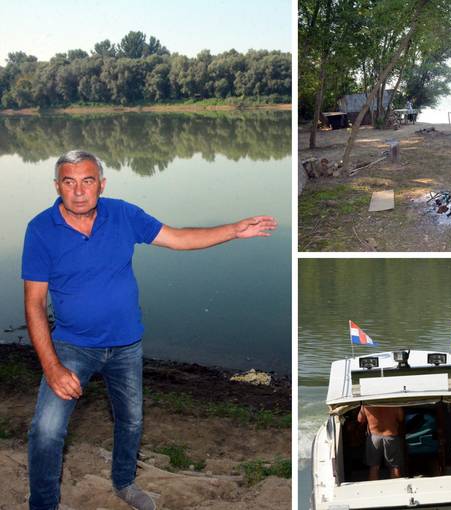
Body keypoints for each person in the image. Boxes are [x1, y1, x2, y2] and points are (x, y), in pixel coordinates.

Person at [22, 150, 278, 510]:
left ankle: (124, 482)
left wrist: (234, 230)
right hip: (72, 347)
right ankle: (43, 505)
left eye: (87, 181)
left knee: (130, 421)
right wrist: (51, 367)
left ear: (101, 184)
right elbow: (34, 304)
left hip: (126, 345)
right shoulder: (41, 229)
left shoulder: (123, 215)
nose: (79, 191)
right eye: (69, 182)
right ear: (57, 186)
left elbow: (178, 238)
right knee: (46, 430)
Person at [357, 405, 405, 480]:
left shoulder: (366, 404)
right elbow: (401, 418)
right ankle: (396, 487)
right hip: (391, 436)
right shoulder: (393, 403)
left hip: (374, 437)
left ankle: (374, 487)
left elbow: (360, 419)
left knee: (374, 467)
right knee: (394, 467)